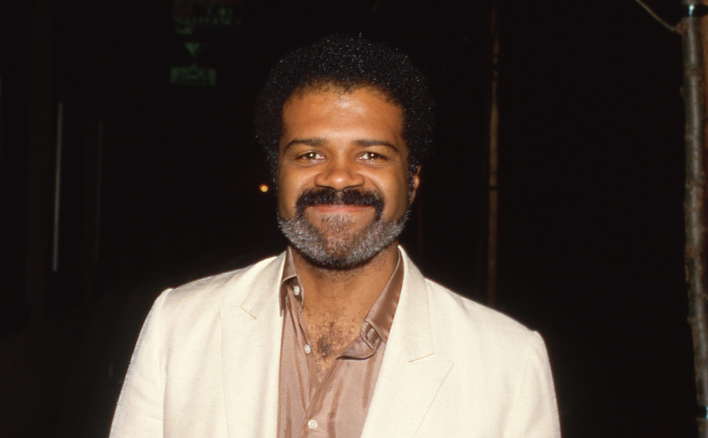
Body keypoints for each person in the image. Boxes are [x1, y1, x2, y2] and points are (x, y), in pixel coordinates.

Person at [109, 35, 560, 438]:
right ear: (277, 175)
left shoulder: (508, 362)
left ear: (413, 182)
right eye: (309, 154)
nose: (339, 176)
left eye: (371, 154)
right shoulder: (179, 325)